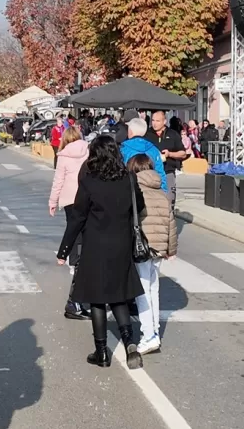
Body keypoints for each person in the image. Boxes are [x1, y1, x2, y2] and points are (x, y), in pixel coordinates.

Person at [56, 135, 145, 370]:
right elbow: (140, 206)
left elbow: (77, 218)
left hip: (96, 245)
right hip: (122, 243)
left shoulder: (89, 182)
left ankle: (101, 352)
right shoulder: (128, 179)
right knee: (119, 296)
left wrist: (64, 250)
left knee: (97, 299)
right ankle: (129, 344)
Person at [127, 154, 177, 355]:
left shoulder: (135, 191)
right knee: (153, 289)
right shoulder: (162, 192)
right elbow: (171, 223)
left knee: (142, 292)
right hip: (159, 248)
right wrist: (171, 249)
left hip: (142, 248)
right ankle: (154, 330)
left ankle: (148, 335)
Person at [48, 126, 90, 320]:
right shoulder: (88, 150)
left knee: (72, 230)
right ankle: (79, 259)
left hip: (69, 201)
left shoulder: (63, 155)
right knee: (85, 233)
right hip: (87, 199)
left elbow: (58, 181)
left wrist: (52, 202)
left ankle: (74, 259)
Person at [146, 111, 185, 206]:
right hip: (151, 172)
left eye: (158, 121)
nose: (154, 123)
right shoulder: (147, 134)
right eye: (153, 120)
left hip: (168, 171)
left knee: (168, 200)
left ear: (164, 121)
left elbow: (183, 153)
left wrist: (169, 154)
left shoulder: (173, 134)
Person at [119, 117, 167, 192]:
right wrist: (163, 192)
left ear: (130, 131)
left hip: (129, 190)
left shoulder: (123, 149)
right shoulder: (154, 149)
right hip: (151, 190)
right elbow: (160, 173)